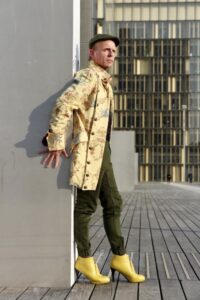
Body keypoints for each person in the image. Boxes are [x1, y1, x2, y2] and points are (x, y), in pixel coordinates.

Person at [41, 34, 145, 285]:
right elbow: (64, 104)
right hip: (89, 153)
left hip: (102, 151)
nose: (111, 54)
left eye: (114, 51)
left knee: (114, 202)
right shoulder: (89, 77)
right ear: (91, 53)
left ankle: (119, 257)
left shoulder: (104, 81)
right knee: (87, 206)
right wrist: (55, 141)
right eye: (106, 50)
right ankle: (85, 259)